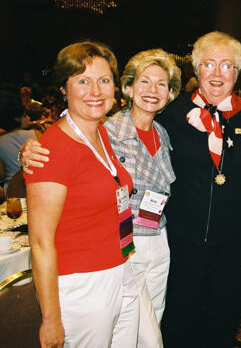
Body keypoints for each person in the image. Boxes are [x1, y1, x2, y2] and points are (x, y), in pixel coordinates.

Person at [21, 48, 181, 347]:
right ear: (63, 88)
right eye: (83, 81)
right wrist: (51, 318)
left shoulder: (101, 134)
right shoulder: (54, 148)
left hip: (121, 262)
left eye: (103, 80)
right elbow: (40, 242)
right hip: (84, 281)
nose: (95, 91)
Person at [157, 31, 241, 348]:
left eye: (227, 65)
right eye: (209, 64)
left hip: (233, 245)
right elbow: (125, 135)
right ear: (196, 69)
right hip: (182, 242)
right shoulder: (171, 114)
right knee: (179, 321)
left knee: (223, 320)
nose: (217, 74)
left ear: (237, 72)